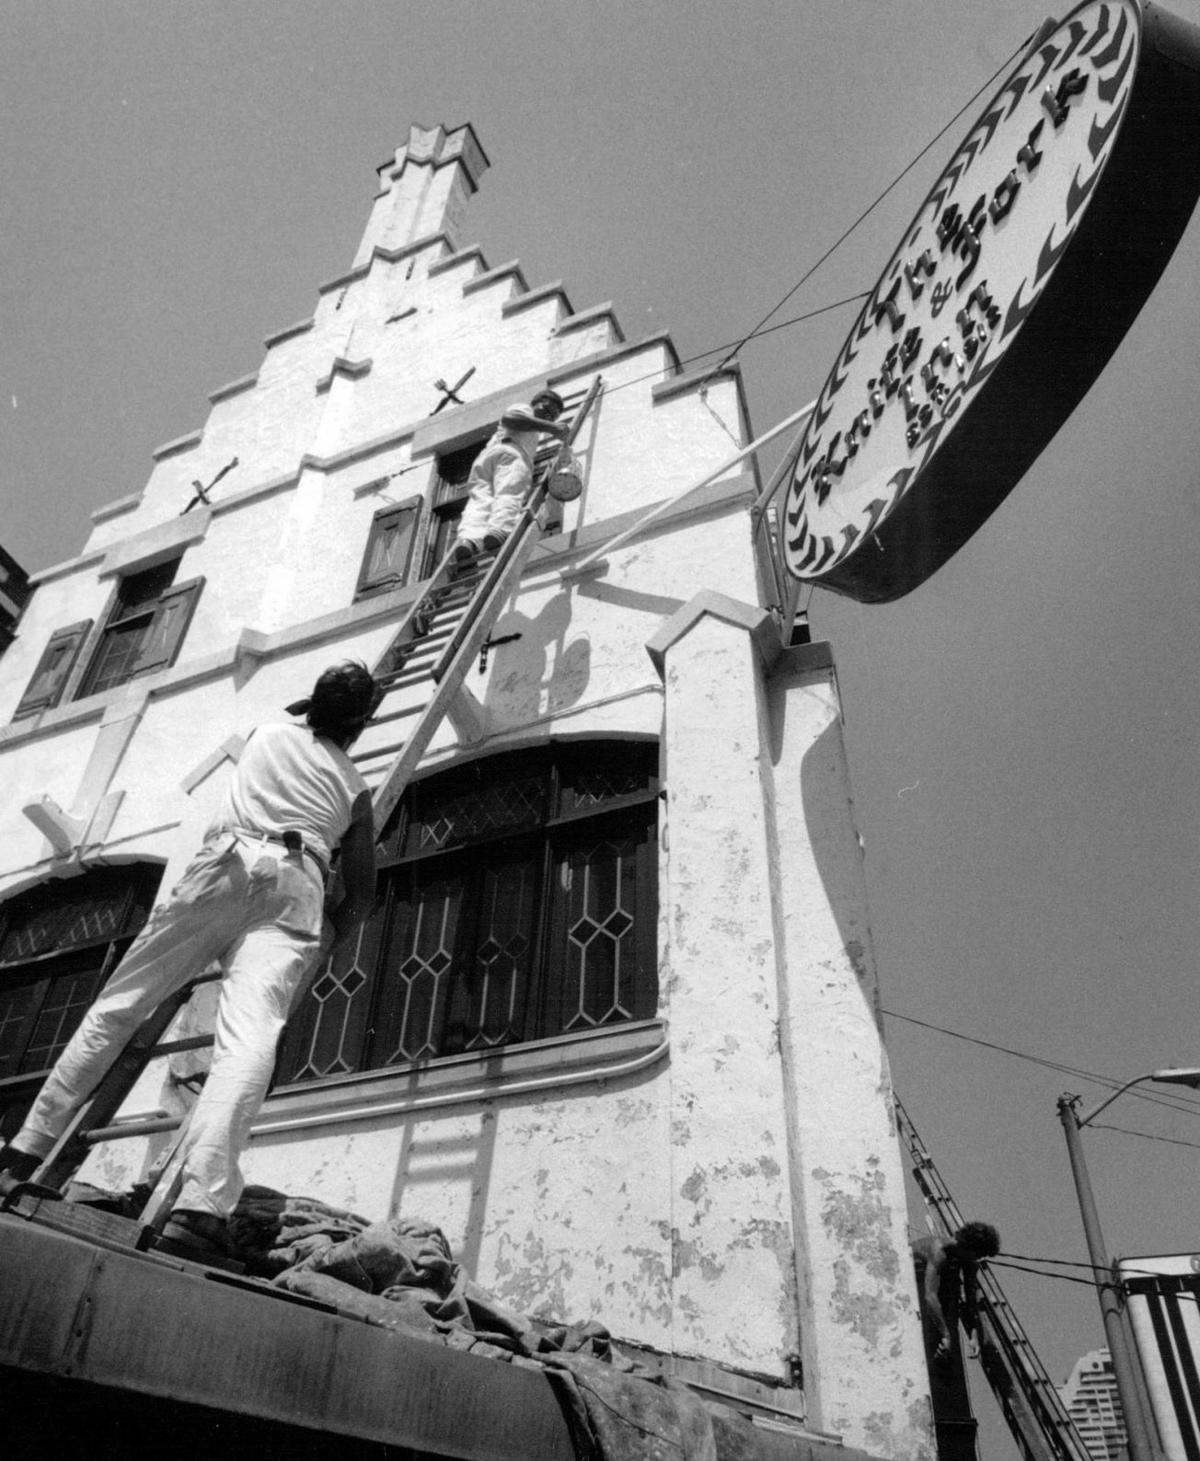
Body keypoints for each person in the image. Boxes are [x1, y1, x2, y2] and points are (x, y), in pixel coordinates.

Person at [0, 661, 382, 1259]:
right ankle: (200, 1207)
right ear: (360, 728)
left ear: (313, 709)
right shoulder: (356, 789)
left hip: (228, 862)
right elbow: (362, 890)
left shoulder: (264, 733)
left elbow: (292, 724)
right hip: (298, 883)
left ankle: (26, 1146)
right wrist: (334, 930)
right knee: (250, 1039)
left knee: (120, 1007)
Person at [452, 388, 571, 564]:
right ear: (538, 403)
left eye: (552, 416)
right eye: (546, 410)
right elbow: (511, 419)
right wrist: (551, 427)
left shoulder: (532, 427)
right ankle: (499, 530)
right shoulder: (524, 410)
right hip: (511, 454)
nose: (548, 417)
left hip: (487, 459)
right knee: (509, 491)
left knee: (480, 500)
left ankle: (468, 540)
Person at [912, 1221, 1000, 1366]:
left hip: (936, 1287)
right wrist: (945, 1335)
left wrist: (974, 1335)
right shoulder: (939, 1250)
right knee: (946, 1288)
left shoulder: (969, 1261)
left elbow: (970, 1300)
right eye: (977, 1255)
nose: (977, 1259)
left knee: (950, 1288)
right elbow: (930, 1296)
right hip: (907, 1281)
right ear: (969, 1247)